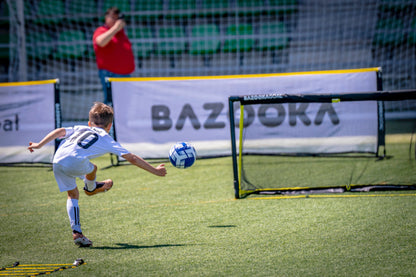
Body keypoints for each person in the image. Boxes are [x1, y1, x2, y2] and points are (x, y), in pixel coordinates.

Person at [28, 102, 166, 247]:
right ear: (110, 126)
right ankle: (92, 187)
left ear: (89, 123)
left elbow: (60, 131)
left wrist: (39, 145)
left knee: (73, 194)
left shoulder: (80, 128)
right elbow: (132, 158)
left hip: (57, 160)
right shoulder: (107, 139)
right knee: (93, 168)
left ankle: (77, 232)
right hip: (74, 161)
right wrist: (155, 171)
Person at [93, 7, 135, 104]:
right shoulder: (101, 30)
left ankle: (120, 119)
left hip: (124, 74)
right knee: (111, 102)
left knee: (124, 102)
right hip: (110, 74)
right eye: (113, 18)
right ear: (106, 18)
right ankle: (107, 120)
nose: (116, 21)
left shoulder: (121, 33)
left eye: (117, 19)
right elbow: (101, 42)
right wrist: (115, 28)